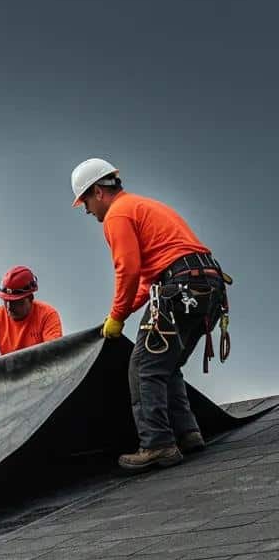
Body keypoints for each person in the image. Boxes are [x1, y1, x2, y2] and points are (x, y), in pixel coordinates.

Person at [70, 157, 230, 473]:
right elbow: (145, 281)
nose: (87, 210)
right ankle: (188, 433)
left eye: (86, 201)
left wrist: (117, 316)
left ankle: (157, 444)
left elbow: (127, 270)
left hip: (182, 285)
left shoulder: (117, 214)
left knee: (143, 366)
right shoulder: (141, 206)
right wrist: (120, 314)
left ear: (99, 192)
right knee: (164, 363)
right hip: (206, 285)